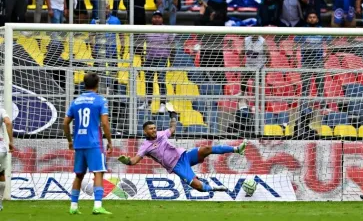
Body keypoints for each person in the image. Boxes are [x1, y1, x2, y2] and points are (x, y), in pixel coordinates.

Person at [118, 119, 248, 192]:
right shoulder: (145, 146)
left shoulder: (162, 134)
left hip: (184, 156)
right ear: (145, 131)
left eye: (154, 128)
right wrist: (127, 161)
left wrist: (173, 120)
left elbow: (172, 130)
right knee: (197, 186)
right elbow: (134, 160)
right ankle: (215, 188)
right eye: (151, 129)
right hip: (177, 166)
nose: (154, 130)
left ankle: (237, 149)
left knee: (206, 148)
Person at [63, 72, 113, 215]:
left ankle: (73, 206)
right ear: (98, 84)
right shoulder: (100, 100)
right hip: (94, 143)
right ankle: (97, 206)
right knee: (98, 172)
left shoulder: (76, 101)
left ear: (84, 84)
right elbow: (104, 123)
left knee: (79, 175)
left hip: (79, 142)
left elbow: (65, 123)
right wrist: (109, 141)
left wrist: (69, 141)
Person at [142, 11, 175, 112]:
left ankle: (162, 104)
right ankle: (147, 103)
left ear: (162, 19)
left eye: (159, 17)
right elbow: (140, 43)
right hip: (149, 58)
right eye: (155, 17)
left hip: (162, 58)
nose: (157, 19)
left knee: (161, 81)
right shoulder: (146, 30)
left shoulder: (167, 30)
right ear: (152, 19)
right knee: (148, 81)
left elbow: (172, 45)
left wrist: (172, 60)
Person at [238, 35, 268, 108]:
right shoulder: (246, 40)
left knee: (256, 85)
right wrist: (242, 64)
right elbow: (241, 53)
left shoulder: (263, 41)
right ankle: (242, 95)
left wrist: (266, 67)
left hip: (259, 67)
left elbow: (268, 55)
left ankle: (256, 104)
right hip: (248, 66)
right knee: (243, 78)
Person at [0, 106, 13, 211]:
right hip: (1, 149)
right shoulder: (1, 110)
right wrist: (11, 141)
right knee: (1, 174)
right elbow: (8, 122)